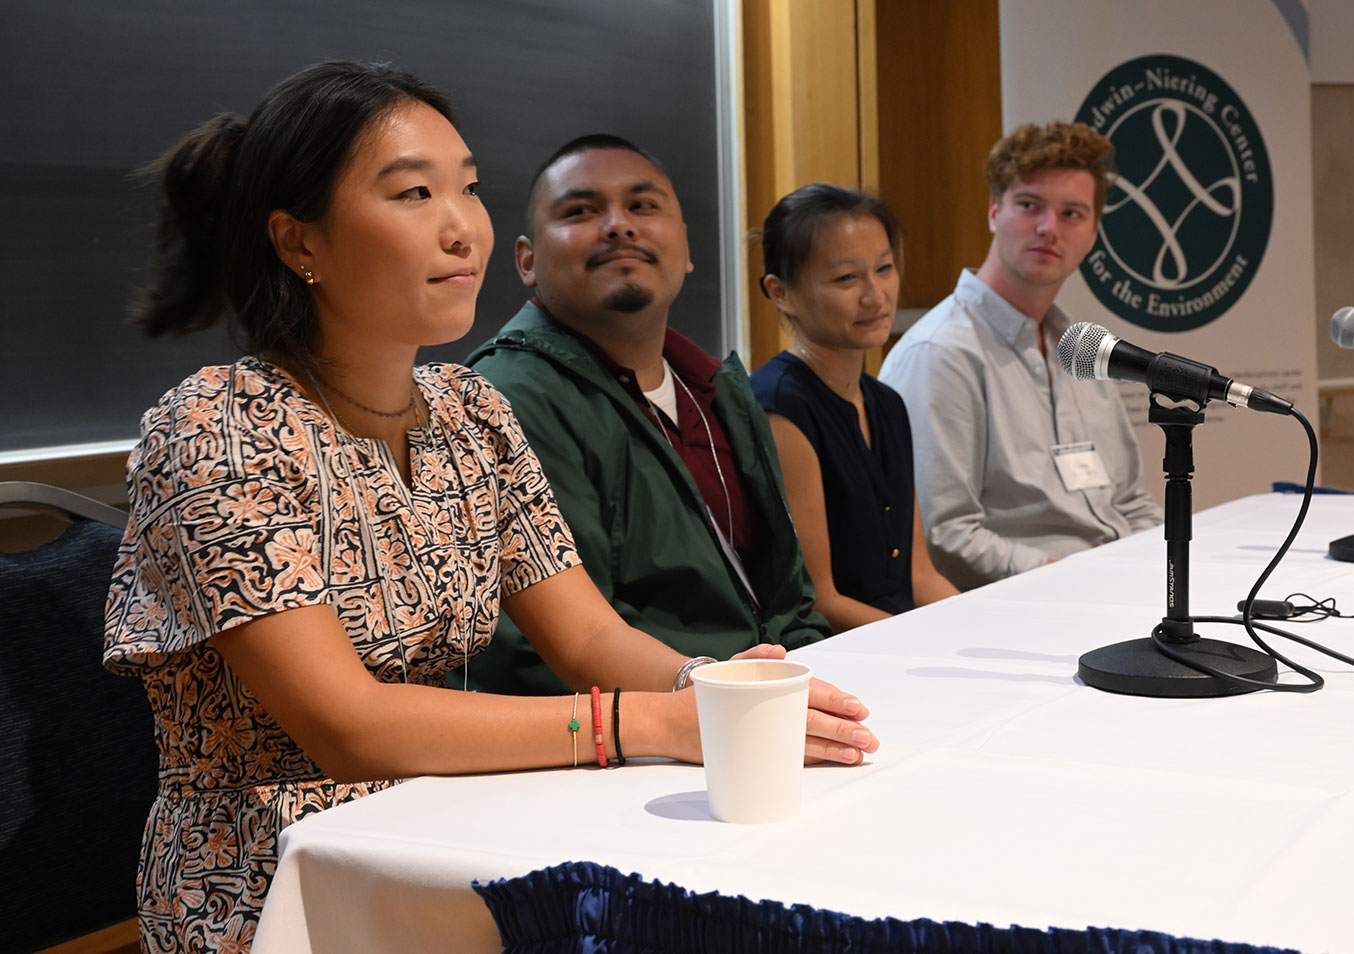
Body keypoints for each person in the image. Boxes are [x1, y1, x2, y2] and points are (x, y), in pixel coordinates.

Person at [102, 62, 876, 953]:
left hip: (444, 824)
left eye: (467, 188)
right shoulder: (216, 428)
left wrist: (701, 687)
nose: (461, 227)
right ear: (299, 242)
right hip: (276, 882)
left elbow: (585, 636)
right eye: (413, 193)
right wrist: (643, 724)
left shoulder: (470, 411)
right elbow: (348, 724)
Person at [463, 134, 830, 695]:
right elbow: (544, 655)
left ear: (684, 247)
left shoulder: (722, 389)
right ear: (528, 260)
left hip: (758, 700)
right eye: (581, 211)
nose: (619, 225)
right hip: (629, 735)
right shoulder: (507, 396)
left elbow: (790, 597)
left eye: (642, 205)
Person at [878, 121, 1162, 590]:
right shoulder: (941, 353)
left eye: (1072, 213)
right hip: (1020, 607)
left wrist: (1165, 571)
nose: (1049, 228)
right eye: (1030, 206)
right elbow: (944, 535)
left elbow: (1129, 503)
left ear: (1093, 233)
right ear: (994, 211)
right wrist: (1082, 578)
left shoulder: (1083, 347)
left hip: (1113, 590)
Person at [750, 184, 959, 632]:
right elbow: (819, 600)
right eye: (847, 278)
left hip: (898, 637)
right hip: (838, 652)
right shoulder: (780, 406)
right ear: (780, 292)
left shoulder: (886, 402)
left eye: (884, 269)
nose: (875, 295)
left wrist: (975, 626)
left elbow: (919, 575)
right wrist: (931, 639)